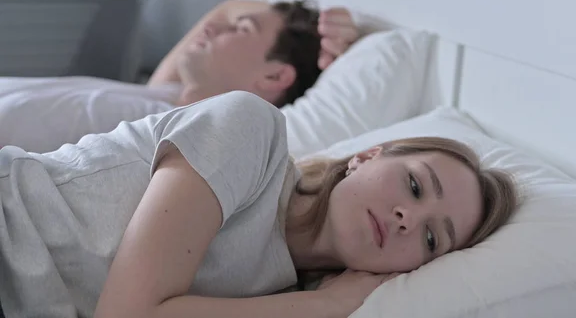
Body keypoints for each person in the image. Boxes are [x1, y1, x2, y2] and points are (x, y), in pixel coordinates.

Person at [0, 91, 518, 318]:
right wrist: (324, 308)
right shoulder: (252, 131)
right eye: (413, 186)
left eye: (432, 238)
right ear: (365, 156)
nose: (410, 218)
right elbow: (127, 315)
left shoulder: (281, 296)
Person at [0, 0, 359, 153]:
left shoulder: (178, 133)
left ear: (272, 77)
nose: (214, 27)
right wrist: (322, 26)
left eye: (242, 29)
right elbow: (226, 8)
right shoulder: (170, 92)